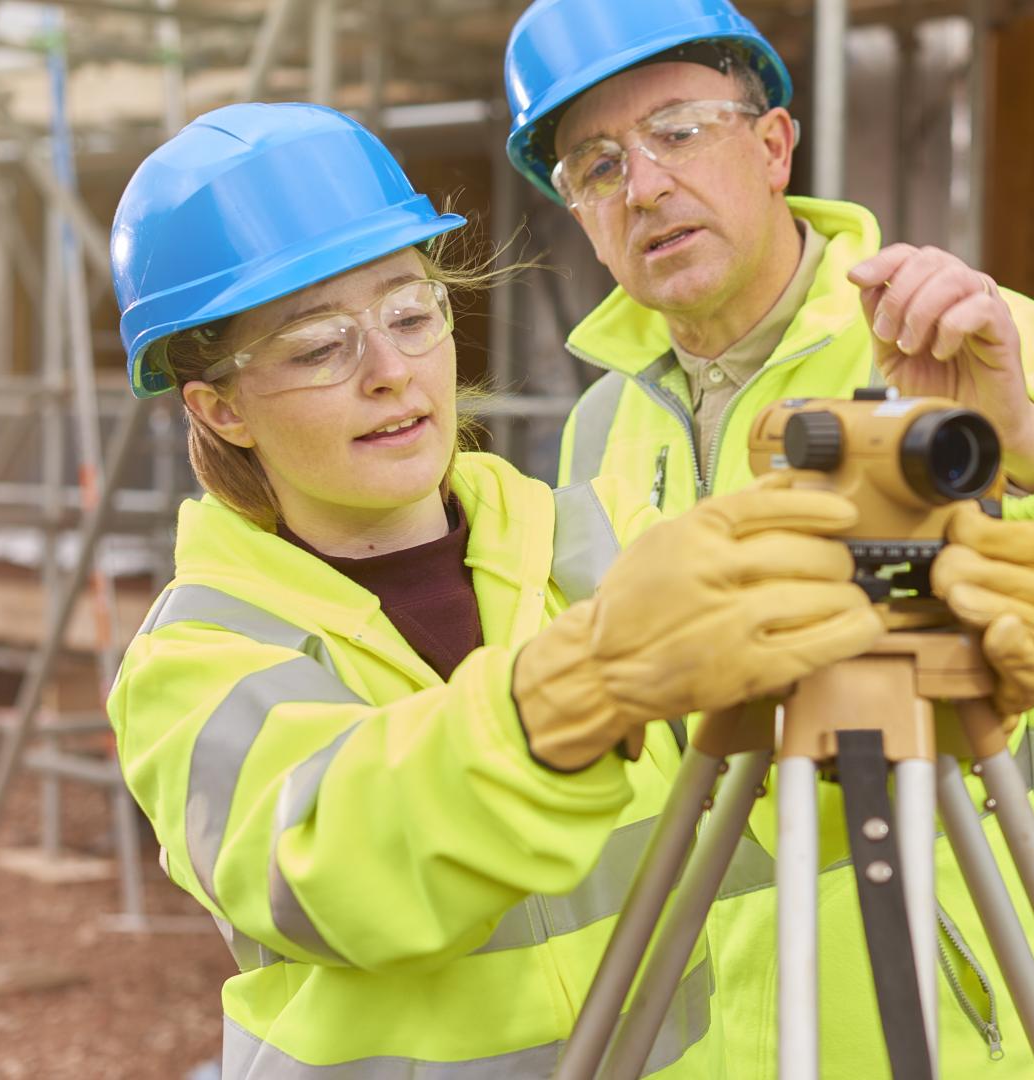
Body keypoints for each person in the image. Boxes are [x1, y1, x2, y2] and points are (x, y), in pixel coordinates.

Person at [103, 101, 965, 1075]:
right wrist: (577, 688)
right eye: (316, 348)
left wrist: (920, 651)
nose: (391, 372)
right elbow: (342, 866)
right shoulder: (198, 658)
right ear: (220, 408)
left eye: (408, 313)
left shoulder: (589, 545)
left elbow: (761, 815)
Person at [503, 1, 1034, 1073]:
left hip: (941, 1029)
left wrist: (1019, 432)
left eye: (677, 131)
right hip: (693, 1039)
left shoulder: (948, 343)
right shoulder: (601, 428)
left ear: (771, 147)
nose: (642, 187)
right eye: (594, 166)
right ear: (577, 212)